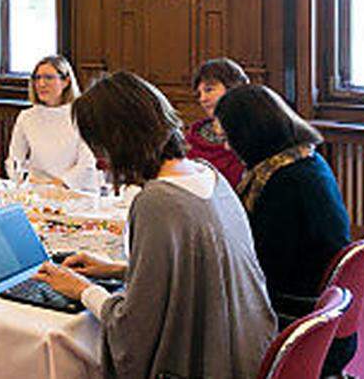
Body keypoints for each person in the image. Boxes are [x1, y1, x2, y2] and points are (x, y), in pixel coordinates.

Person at [34, 71, 276, 379]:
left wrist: (82, 290)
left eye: (98, 146)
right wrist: (117, 270)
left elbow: (134, 327)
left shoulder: (156, 201)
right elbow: (198, 270)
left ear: (116, 141)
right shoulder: (208, 174)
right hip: (246, 351)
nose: (98, 159)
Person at [214, 84, 354, 376]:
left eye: (231, 138)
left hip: (295, 317)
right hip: (319, 314)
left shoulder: (284, 183)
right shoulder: (305, 160)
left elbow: (260, 269)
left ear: (251, 134)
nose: (228, 147)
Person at [7, 55, 98, 190]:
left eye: (48, 77)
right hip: (37, 191)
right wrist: (21, 181)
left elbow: (86, 164)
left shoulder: (82, 115)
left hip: (75, 191)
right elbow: (14, 160)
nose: (41, 84)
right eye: (37, 78)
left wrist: (58, 185)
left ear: (66, 81)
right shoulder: (26, 117)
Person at [185, 57, 249, 188]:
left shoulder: (255, 133)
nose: (202, 99)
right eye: (199, 94)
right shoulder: (192, 136)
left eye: (209, 90)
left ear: (233, 87)